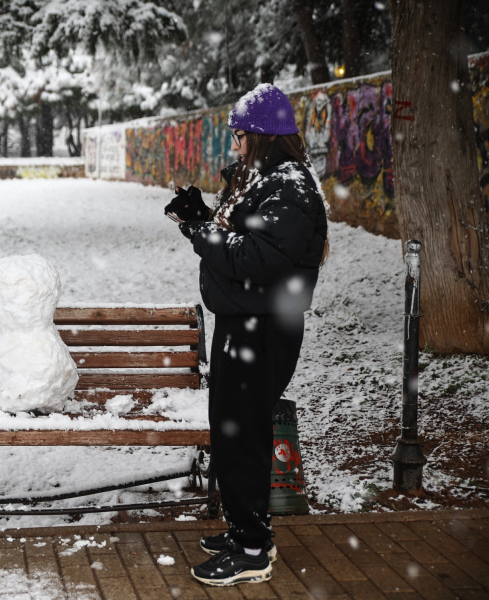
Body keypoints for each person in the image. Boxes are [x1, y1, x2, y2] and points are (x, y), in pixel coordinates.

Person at [165, 83, 329, 587]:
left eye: (239, 136)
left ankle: (252, 549)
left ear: (261, 136)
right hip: (243, 322)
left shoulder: (291, 189)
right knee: (234, 431)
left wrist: (199, 230)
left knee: (243, 436)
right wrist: (200, 215)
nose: (234, 144)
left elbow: (251, 258)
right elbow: (239, 239)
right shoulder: (268, 179)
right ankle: (245, 531)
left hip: (262, 330)